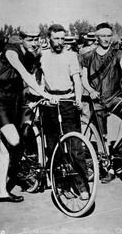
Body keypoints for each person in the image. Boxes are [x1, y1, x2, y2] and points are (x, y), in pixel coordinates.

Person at [0, 30, 54, 203]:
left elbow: (34, 76)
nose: (33, 42)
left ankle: (1, 191)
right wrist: (44, 94)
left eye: (35, 39)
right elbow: (24, 74)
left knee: (5, 147)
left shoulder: (31, 56)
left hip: (17, 99)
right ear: (21, 40)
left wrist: (40, 94)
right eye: (29, 39)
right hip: (1, 99)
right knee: (14, 141)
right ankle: (16, 170)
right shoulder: (12, 51)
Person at [38, 24, 90, 200]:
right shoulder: (42, 56)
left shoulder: (71, 56)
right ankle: (62, 186)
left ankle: (82, 186)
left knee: (76, 146)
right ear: (49, 39)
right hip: (50, 104)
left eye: (62, 38)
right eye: (56, 39)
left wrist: (78, 99)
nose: (59, 42)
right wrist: (44, 96)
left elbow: (77, 80)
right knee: (54, 148)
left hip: (68, 102)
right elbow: (39, 80)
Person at [81, 22, 122, 183]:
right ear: (96, 37)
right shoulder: (88, 56)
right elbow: (83, 79)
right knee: (101, 135)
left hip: (115, 97)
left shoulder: (118, 54)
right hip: (98, 99)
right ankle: (108, 167)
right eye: (103, 36)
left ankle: (117, 148)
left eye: (109, 36)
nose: (106, 39)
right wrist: (90, 91)